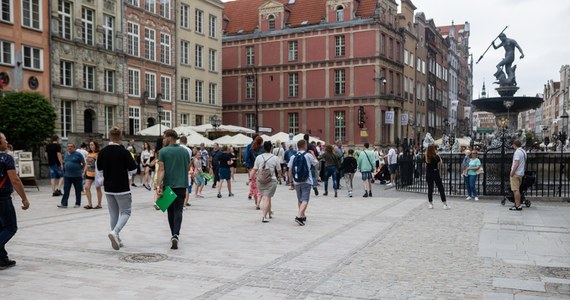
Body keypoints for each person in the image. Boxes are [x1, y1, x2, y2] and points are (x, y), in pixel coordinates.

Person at [96, 127, 138, 250]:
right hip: (122, 187)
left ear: (109, 136)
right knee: (126, 212)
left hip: (108, 187)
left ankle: (117, 238)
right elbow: (133, 169)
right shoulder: (124, 152)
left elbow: (99, 170)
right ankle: (115, 232)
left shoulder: (103, 152)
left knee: (113, 213)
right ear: (120, 138)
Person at [155, 129, 191, 249]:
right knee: (178, 210)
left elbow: (161, 170)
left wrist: (158, 185)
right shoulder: (185, 152)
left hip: (169, 185)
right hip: (182, 185)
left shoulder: (163, 152)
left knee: (170, 211)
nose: (163, 140)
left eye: (164, 137)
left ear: (170, 138)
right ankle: (176, 234)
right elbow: (187, 168)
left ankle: (173, 234)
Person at [0, 132, 30, 269]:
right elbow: (15, 180)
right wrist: (24, 198)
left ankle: (2, 259)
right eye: (5, 140)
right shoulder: (6, 158)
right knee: (10, 227)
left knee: (1, 227)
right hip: (2, 198)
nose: (7, 142)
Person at [288, 139, 319, 226]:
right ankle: (298, 216)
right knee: (305, 199)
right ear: (304, 146)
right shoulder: (308, 155)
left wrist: (291, 182)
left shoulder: (293, 156)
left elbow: (290, 170)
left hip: (297, 181)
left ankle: (302, 216)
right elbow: (317, 165)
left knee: (300, 199)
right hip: (307, 180)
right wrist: (313, 155)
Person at [252, 141, 281, 223]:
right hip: (271, 180)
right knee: (266, 198)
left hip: (260, 181)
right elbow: (279, 170)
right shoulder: (275, 158)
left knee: (267, 197)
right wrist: (280, 176)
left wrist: (250, 179)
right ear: (271, 148)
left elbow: (254, 169)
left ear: (263, 148)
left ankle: (269, 213)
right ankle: (264, 216)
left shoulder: (259, 157)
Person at [58, 143, 86, 208]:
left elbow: (84, 163)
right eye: (68, 146)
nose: (69, 148)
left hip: (77, 175)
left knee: (78, 190)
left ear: (74, 147)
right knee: (66, 189)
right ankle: (64, 204)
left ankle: (77, 203)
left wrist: (82, 171)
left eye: (71, 146)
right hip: (67, 175)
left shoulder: (78, 154)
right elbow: (65, 162)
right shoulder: (65, 154)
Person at [424, 145, 449, 209]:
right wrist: (439, 156)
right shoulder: (436, 156)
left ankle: (430, 204)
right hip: (435, 173)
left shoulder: (426, 156)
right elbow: (441, 163)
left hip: (429, 173)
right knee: (440, 188)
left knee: (430, 189)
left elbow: (425, 164)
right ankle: (444, 204)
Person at [84, 141, 103, 209]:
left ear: (95, 145)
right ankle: (90, 204)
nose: (91, 146)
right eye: (90, 145)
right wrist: (84, 171)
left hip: (96, 174)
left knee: (98, 188)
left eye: (92, 145)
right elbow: (86, 163)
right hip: (89, 173)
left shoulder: (98, 153)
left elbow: (101, 163)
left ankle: (99, 204)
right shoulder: (89, 153)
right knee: (86, 187)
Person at [246, 136, 264, 209]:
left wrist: (249, 169)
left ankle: (256, 202)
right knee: (260, 187)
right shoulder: (263, 150)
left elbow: (247, 159)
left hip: (253, 170)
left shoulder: (251, 149)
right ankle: (258, 203)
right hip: (261, 170)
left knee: (254, 187)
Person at [509, 140, 526, 211]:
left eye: (513, 145)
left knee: (515, 190)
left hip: (516, 173)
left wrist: (512, 172)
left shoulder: (517, 152)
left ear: (515, 145)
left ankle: (517, 205)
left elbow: (516, 163)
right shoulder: (524, 152)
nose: (512, 146)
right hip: (521, 173)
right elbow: (524, 163)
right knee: (517, 189)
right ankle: (517, 203)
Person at [179, 136, 193, 207]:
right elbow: (189, 162)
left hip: (177, 170)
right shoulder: (189, 150)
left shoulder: (176, 148)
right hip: (185, 171)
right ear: (186, 141)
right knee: (186, 187)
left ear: (179, 141)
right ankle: (184, 203)